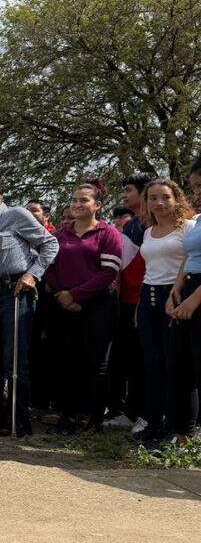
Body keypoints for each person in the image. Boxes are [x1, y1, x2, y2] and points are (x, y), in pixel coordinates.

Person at [0, 179, 59, 437]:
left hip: (14, 293)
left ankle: (18, 419)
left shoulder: (17, 215)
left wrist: (33, 274)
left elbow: (50, 244)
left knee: (14, 359)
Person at [44, 180, 122, 434]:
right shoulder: (59, 236)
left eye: (83, 200)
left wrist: (76, 294)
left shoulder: (107, 233)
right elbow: (49, 268)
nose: (77, 204)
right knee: (66, 360)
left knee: (96, 362)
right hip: (64, 306)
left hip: (98, 306)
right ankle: (68, 415)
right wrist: (61, 294)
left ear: (98, 205)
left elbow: (108, 272)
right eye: (74, 200)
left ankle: (95, 417)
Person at [135, 178, 196, 443]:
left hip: (175, 295)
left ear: (177, 199)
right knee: (152, 364)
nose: (159, 203)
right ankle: (154, 423)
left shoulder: (188, 228)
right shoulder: (148, 231)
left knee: (175, 365)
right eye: (152, 198)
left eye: (165, 197)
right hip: (148, 294)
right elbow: (148, 269)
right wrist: (139, 306)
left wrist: (175, 293)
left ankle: (176, 427)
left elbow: (189, 261)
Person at [106, 172, 157, 431]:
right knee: (125, 358)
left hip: (146, 299)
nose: (124, 195)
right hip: (125, 300)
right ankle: (129, 410)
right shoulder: (131, 225)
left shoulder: (155, 223)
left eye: (128, 190)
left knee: (144, 360)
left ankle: (148, 415)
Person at [168, 154, 201, 442]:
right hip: (188, 287)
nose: (197, 191)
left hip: (199, 294)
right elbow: (188, 256)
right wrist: (176, 290)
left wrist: (194, 300)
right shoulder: (197, 220)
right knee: (182, 366)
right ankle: (184, 435)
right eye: (195, 186)